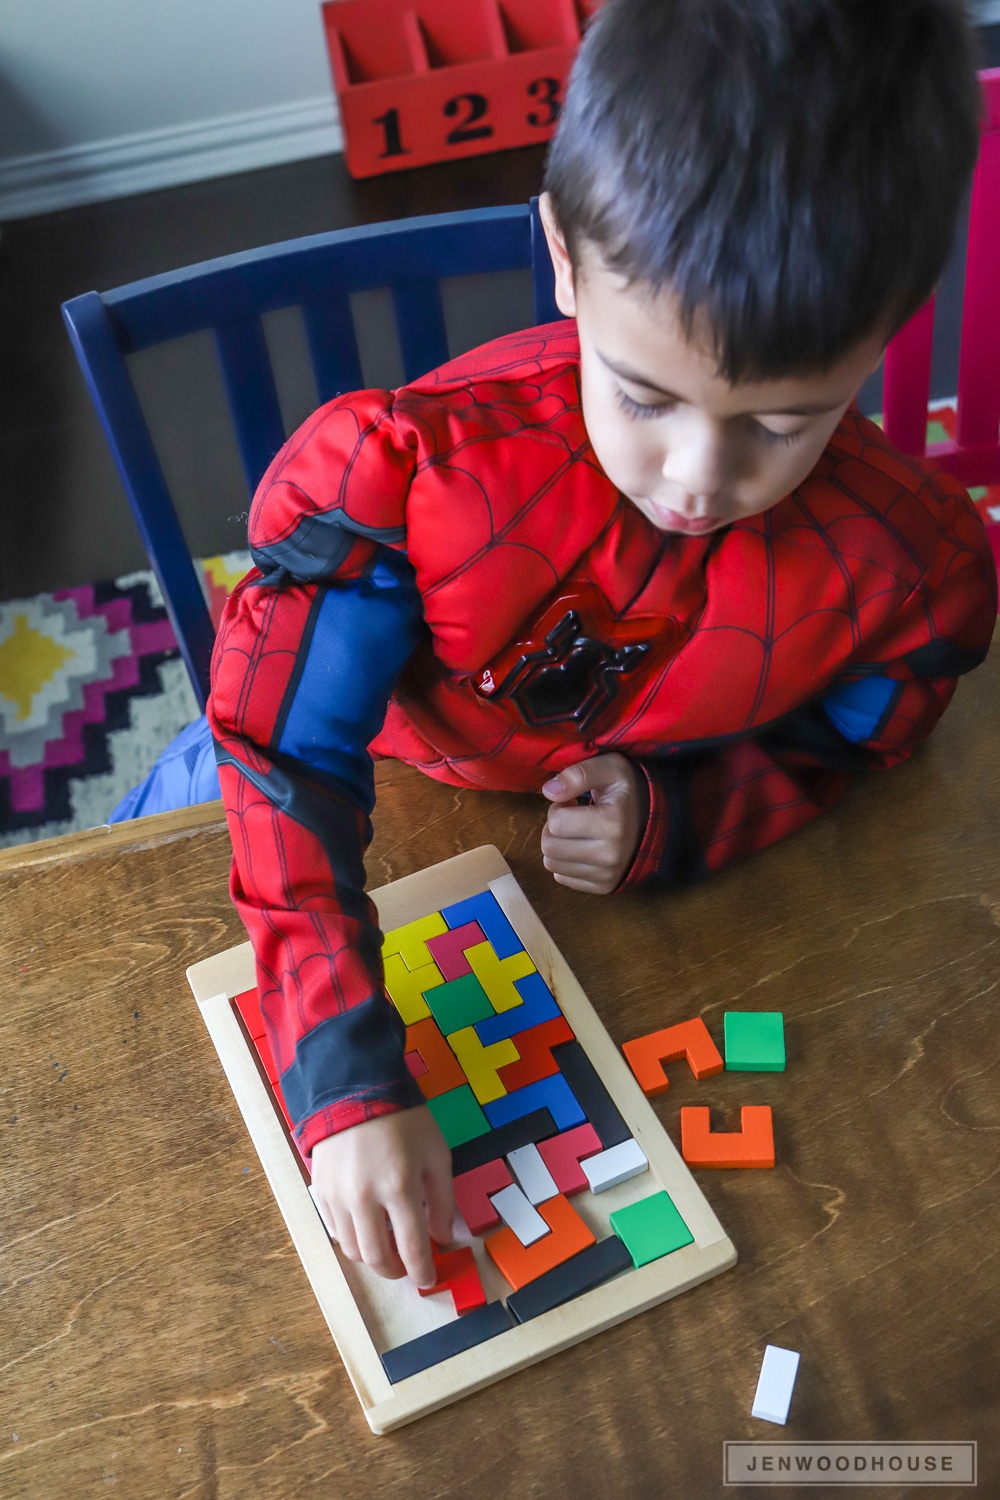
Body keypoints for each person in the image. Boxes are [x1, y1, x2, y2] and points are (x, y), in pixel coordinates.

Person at [207, 0, 998, 1290]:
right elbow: (282, 755)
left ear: (886, 333)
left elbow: (869, 733)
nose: (698, 479)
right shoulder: (407, 476)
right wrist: (345, 1076)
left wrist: (688, 813)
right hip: (372, 783)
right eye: (644, 394)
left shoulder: (912, 567)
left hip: (612, 855)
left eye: (787, 423)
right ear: (564, 258)